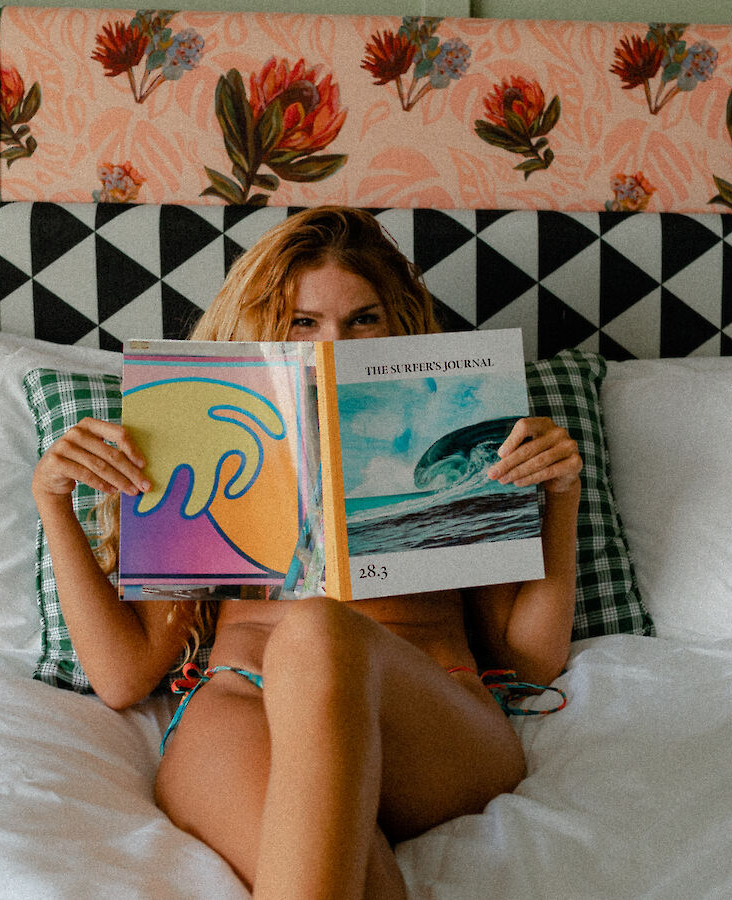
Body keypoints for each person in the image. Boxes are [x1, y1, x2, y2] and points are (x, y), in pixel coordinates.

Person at [31, 206, 583, 899]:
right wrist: (54, 503)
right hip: (241, 700)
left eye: (363, 319)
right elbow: (122, 677)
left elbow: (530, 659)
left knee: (317, 630)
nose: (334, 345)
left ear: (398, 324)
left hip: (425, 709)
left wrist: (560, 498)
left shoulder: (464, 428)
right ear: (266, 327)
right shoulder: (201, 426)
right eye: (303, 322)